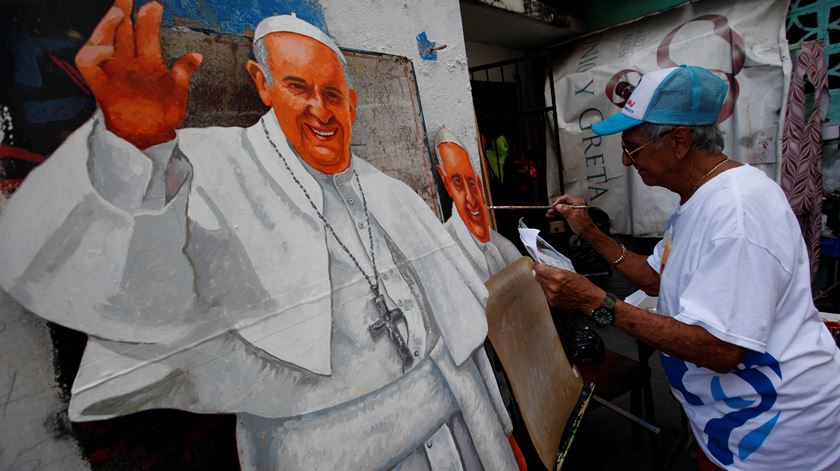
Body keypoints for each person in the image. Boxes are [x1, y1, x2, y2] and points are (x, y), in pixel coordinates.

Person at [0, 2, 519, 469]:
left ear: (353, 103)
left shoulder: (386, 191)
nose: (321, 110)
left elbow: (462, 339)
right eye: (298, 87)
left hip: (457, 435)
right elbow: (132, 293)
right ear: (262, 82)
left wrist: (502, 432)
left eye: (333, 93)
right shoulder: (209, 165)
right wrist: (137, 149)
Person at [534, 65, 840, 470]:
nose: (626, 162)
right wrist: (589, 231)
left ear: (679, 142)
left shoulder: (737, 213)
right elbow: (656, 278)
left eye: (633, 148)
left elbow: (721, 350)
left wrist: (596, 302)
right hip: (729, 425)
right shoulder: (697, 199)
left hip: (774, 437)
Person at [434, 128, 521, 282]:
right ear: (446, 184)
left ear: (480, 186)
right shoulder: (446, 250)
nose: (471, 199)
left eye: (472, 183)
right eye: (458, 183)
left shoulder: (502, 246)